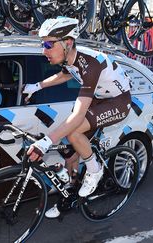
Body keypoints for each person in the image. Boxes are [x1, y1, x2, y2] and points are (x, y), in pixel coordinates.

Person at [23, 17, 131, 218]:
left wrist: (45, 142)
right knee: (71, 155)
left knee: (74, 132)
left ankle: (95, 169)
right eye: (42, 44)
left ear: (68, 42)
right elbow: (65, 75)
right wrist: (38, 85)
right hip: (100, 99)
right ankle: (69, 198)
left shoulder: (91, 63)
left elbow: (78, 115)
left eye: (48, 44)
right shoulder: (70, 59)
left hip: (118, 102)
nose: (43, 50)